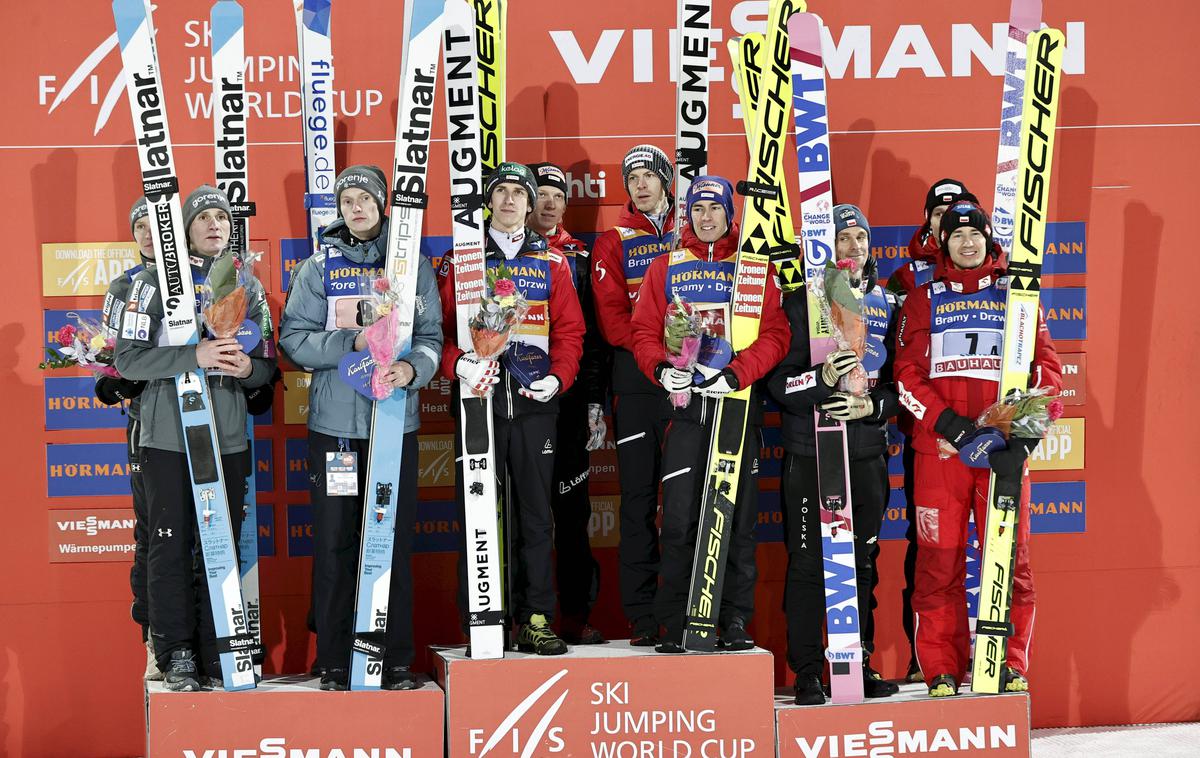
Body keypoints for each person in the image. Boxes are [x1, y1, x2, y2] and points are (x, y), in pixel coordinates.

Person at [279, 165, 443, 691]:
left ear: (382, 204)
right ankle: (333, 661)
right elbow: (293, 339)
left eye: (363, 198)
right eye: (346, 200)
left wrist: (412, 368)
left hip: (394, 424)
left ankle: (393, 660)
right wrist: (348, 342)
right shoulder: (316, 268)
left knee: (391, 543)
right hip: (335, 432)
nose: (355, 208)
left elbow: (433, 336)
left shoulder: (410, 265)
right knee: (334, 542)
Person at [894, 199, 1062, 697]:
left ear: (989, 239)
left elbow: (1046, 371)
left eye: (975, 234)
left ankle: (1007, 665)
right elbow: (906, 375)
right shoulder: (923, 299)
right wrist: (951, 425)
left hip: (1003, 456)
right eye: (955, 235)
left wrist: (1025, 437)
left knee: (1010, 561)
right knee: (938, 563)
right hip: (943, 454)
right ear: (941, 242)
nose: (967, 243)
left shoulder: (1018, 296)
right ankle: (942, 669)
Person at [115, 185, 276, 692]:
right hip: (165, 436)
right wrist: (195, 357)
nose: (214, 226)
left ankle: (218, 650)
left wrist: (250, 367)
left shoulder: (245, 284)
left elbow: (268, 366)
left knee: (219, 546)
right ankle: (174, 651)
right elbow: (127, 359)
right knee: (168, 545)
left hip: (227, 436)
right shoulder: (150, 283)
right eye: (203, 218)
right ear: (183, 230)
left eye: (222, 219)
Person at [629, 176, 789, 652]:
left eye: (714, 208)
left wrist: (737, 375)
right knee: (677, 519)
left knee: (735, 520)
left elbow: (776, 335)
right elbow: (643, 332)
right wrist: (662, 370)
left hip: (737, 406)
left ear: (728, 213)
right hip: (685, 411)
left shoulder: (753, 269)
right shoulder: (667, 266)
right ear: (687, 215)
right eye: (697, 209)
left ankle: (734, 620)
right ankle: (674, 621)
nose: (705, 217)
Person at [438, 162, 585, 655]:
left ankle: (536, 617)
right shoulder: (463, 259)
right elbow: (433, 335)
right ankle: (482, 618)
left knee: (535, 514)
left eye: (517, 194)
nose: (508, 201)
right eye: (499, 192)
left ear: (530, 204)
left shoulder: (554, 262)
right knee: (478, 508)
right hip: (477, 399)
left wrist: (558, 378)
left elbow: (570, 333)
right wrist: (459, 365)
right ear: (488, 201)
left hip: (534, 404)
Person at [767, 204, 901, 704]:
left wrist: (871, 405)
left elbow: (901, 386)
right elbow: (777, 385)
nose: (853, 247)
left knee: (863, 561)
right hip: (810, 452)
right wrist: (818, 381)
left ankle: (855, 665)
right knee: (806, 565)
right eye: (842, 238)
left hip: (866, 452)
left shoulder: (886, 303)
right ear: (823, 247)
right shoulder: (800, 303)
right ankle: (806, 671)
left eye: (860, 238)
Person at [888, 177, 975, 682]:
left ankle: (980, 662)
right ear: (927, 219)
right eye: (938, 210)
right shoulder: (906, 278)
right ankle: (931, 662)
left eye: (957, 209)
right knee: (929, 550)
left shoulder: (996, 275)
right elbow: (890, 355)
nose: (947, 218)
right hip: (921, 432)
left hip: (981, 435)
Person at [590, 144, 677, 644]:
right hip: (637, 380)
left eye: (649, 175)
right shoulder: (613, 240)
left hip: (692, 375)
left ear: (667, 180)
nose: (640, 185)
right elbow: (611, 320)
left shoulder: (692, 232)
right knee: (639, 499)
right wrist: (657, 352)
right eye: (632, 177)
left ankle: (687, 608)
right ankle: (643, 618)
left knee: (686, 499)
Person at [527, 162, 609, 645]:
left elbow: (592, 336)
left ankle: (576, 617)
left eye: (558, 195)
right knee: (522, 511)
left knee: (573, 512)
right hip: (515, 401)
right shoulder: (493, 252)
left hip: (571, 399)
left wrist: (595, 399)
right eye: (541, 193)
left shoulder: (579, 255)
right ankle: (521, 616)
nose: (550, 202)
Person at [95, 197, 156, 679]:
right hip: (145, 422)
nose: (148, 233)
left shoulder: (208, 279)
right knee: (153, 529)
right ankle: (156, 637)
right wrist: (113, 379)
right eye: (139, 226)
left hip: (201, 416)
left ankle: (203, 634)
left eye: (157, 224)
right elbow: (111, 349)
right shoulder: (123, 285)